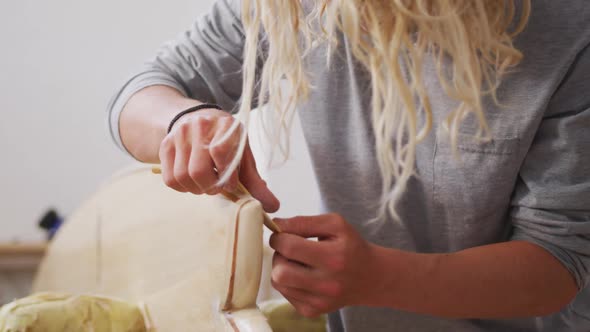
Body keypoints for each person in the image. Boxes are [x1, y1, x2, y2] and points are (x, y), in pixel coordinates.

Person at [107, 0, 590, 331]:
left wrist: (380, 277)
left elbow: (559, 262)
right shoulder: (290, 7)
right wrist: (183, 122)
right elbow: (141, 94)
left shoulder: (571, 27)